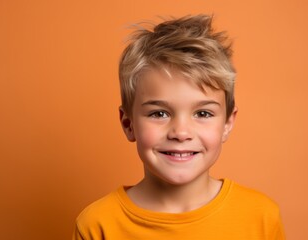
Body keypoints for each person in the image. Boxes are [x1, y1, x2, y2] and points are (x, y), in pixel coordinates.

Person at [73, 14, 285, 240]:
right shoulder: (97, 224)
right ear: (128, 124)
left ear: (227, 123)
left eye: (203, 113)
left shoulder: (261, 217)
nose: (181, 133)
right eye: (159, 113)